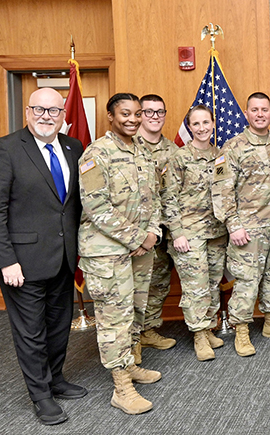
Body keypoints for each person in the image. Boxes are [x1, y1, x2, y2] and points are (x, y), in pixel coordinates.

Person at [0, 88, 85, 425]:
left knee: (59, 326)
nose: (47, 116)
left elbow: (72, 207)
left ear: (63, 115)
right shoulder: (4, 149)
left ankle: (55, 379)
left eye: (54, 111)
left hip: (63, 258)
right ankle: (41, 395)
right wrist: (4, 260)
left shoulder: (74, 148)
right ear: (28, 112)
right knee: (31, 332)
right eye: (39, 109)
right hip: (21, 263)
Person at [78, 93, 162, 415]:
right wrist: (139, 237)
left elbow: (152, 197)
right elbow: (96, 207)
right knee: (115, 319)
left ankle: (131, 365)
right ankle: (121, 388)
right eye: (125, 113)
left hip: (140, 248)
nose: (133, 119)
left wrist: (152, 233)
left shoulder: (142, 150)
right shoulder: (96, 153)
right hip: (107, 252)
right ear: (111, 117)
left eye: (137, 113)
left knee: (135, 311)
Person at [212, 92, 270, 357]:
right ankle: (241, 329)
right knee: (247, 281)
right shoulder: (233, 147)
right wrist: (233, 225)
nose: (260, 114)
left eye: (264, 110)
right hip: (247, 228)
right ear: (246, 114)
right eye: (255, 110)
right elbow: (222, 189)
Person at [162, 105, 227, 361]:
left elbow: (224, 191)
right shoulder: (180, 157)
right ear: (189, 127)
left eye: (206, 123)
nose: (202, 128)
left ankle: (209, 326)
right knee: (195, 286)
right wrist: (177, 232)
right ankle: (199, 334)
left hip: (216, 232)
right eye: (196, 124)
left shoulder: (220, 156)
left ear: (213, 124)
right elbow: (168, 197)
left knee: (211, 283)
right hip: (189, 233)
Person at [135, 94, 178, 360]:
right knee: (134, 286)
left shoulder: (173, 150)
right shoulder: (129, 146)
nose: (154, 117)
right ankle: (131, 341)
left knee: (159, 282)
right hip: (136, 232)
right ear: (139, 114)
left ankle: (149, 330)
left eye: (159, 112)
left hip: (164, 229)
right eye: (148, 112)